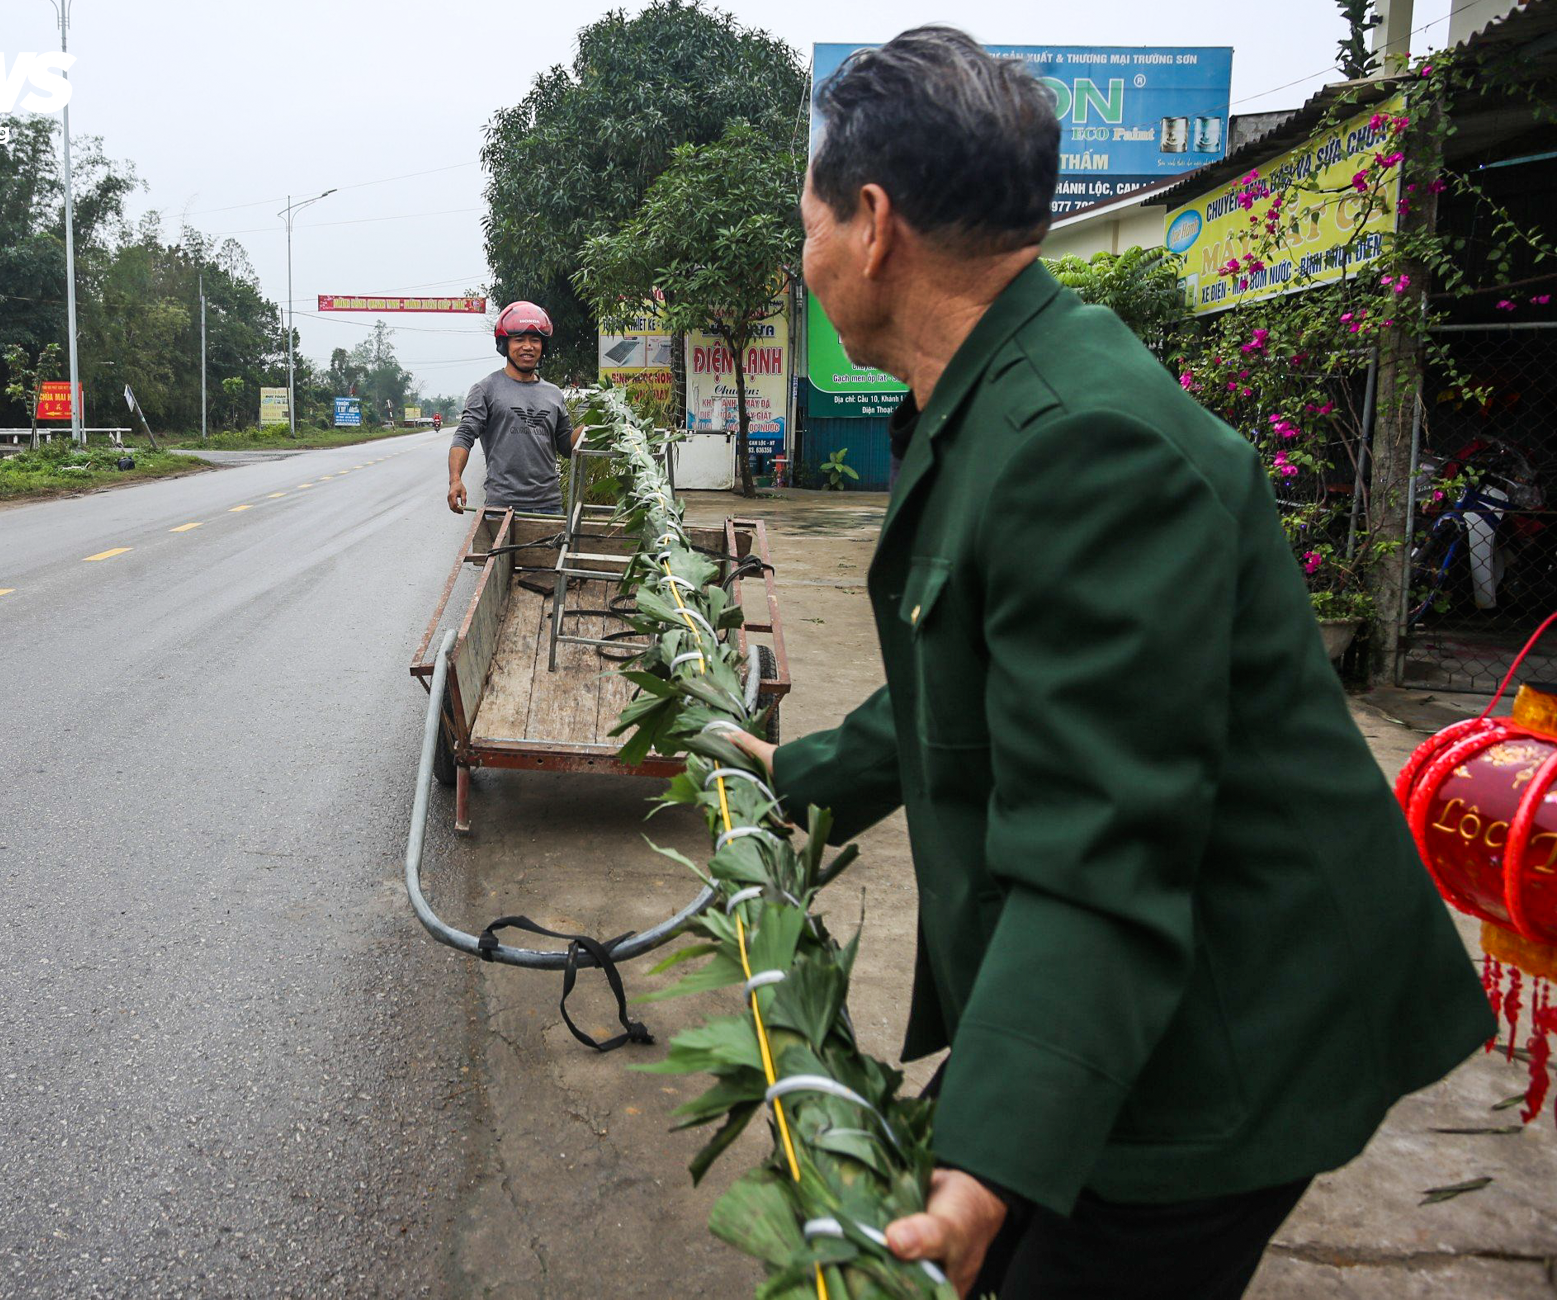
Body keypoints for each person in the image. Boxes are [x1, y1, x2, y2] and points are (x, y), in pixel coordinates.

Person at [722, 27, 1495, 1299]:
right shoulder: (1001, 389)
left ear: (870, 224)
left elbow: (1098, 840)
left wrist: (983, 1161)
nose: (802, 262)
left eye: (803, 224)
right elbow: (967, 674)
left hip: (1225, 1026)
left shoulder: (1076, 447)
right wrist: (795, 774)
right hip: (1138, 983)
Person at [447, 301, 578, 514]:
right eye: (519, 340)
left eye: (535, 340)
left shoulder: (553, 393)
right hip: (502, 506)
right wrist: (455, 480)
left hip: (549, 506)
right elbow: (464, 435)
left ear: (543, 346)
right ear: (504, 345)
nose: (528, 346)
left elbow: (566, 445)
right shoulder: (486, 389)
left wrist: (593, 427)